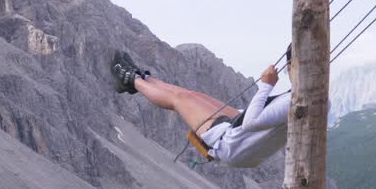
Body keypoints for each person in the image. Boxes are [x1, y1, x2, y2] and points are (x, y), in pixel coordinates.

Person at [111, 51, 289, 168]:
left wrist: (266, 86)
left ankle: (130, 79)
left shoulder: (294, 99)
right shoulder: (300, 96)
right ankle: (143, 77)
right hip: (241, 137)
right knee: (193, 95)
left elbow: (252, 123)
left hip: (232, 144)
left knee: (180, 99)